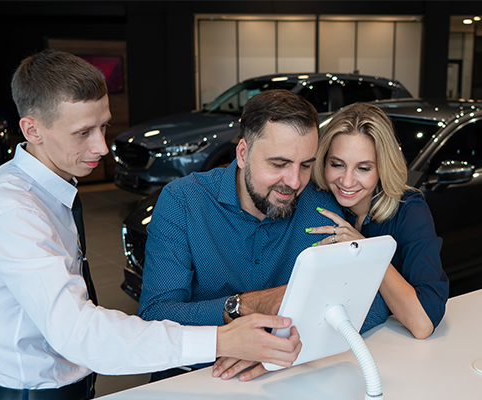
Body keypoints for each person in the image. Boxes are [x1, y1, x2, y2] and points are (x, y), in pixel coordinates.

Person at [0, 49, 302, 400]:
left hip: (68, 382)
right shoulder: (12, 211)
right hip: (29, 391)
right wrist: (221, 339)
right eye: (83, 132)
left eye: (103, 126)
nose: (102, 147)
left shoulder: (50, 188)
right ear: (32, 130)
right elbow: (79, 333)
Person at [139, 90, 385, 383]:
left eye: (306, 165)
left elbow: (371, 305)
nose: (294, 182)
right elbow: (156, 315)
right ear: (243, 154)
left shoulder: (321, 208)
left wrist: (286, 348)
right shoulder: (183, 202)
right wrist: (241, 312)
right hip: (199, 379)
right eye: (279, 164)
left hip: (289, 380)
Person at [306, 102, 449, 339]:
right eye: (337, 164)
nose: (347, 181)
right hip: (327, 340)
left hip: (388, 346)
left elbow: (422, 323)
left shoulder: (409, 211)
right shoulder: (316, 201)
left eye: (363, 168)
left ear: (382, 168)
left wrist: (366, 250)